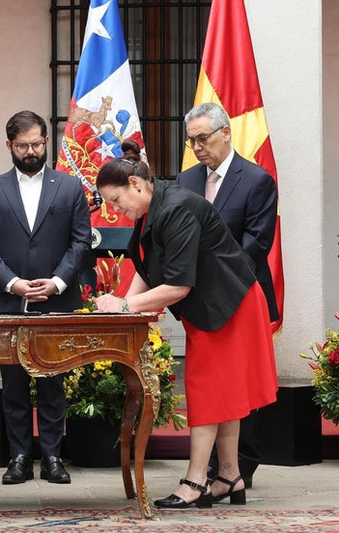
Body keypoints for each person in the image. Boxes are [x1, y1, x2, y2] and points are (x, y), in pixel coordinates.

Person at [94, 140, 278, 509]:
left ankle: (196, 482)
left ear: (135, 184)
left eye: (115, 200)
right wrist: (120, 308)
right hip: (215, 306)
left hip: (231, 306)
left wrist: (124, 304)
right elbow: (147, 269)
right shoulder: (151, 208)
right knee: (222, 392)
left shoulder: (176, 208)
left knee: (208, 390)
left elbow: (178, 285)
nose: (114, 210)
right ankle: (229, 476)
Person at [0, 110, 91, 485]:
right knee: (14, 384)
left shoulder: (69, 187)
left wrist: (56, 282)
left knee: (53, 381)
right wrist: (13, 283)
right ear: (9, 145)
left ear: (46, 142)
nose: (31, 151)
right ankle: (20, 456)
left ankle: (54, 456)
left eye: (37, 144)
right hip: (10, 302)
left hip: (57, 300)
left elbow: (80, 241)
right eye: (23, 145)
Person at [177, 102, 279, 489]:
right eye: (192, 141)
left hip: (240, 293)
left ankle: (240, 467)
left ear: (225, 133)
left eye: (203, 138)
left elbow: (256, 243)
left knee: (240, 381)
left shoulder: (256, 180)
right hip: (200, 300)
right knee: (211, 383)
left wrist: (208, 274)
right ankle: (221, 471)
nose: (198, 147)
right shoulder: (186, 181)